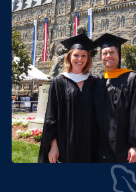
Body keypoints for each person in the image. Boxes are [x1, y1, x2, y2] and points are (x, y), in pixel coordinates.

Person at [92, 33, 136, 163]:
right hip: (100, 147)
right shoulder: (98, 80)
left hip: (124, 149)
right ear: (100, 57)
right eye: (104, 53)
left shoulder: (132, 79)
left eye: (112, 52)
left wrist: (135, 145)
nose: (108, 56)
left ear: (119, 55)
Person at [37, 34, 99, 163]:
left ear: (88, 59)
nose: (79, 59)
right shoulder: (59, 82)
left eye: (84, 55)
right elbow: (51, 116)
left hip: (90, 144)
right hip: (65, 143)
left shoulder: (94, 83)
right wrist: (53, 146)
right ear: (69, 57)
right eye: (76, 55)